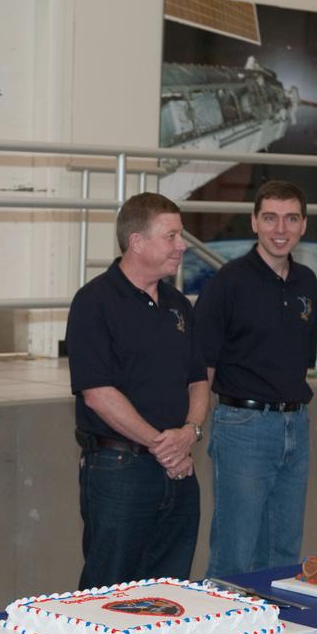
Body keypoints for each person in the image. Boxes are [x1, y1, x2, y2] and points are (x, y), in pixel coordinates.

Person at [65, 192, 209, 589]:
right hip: (120, 470)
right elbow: (97, 393)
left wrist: (190, 432)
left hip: (179, 468)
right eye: (171, 236)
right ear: (137, 242)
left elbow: (198, 380)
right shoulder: (94, 302)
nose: (182, 246)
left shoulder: (179, 305)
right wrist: (162, 446)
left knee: (170, 591)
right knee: (108, 591)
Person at [194, 180, 317, 576]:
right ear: (253, 222)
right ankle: (224, 617)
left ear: (303, 225)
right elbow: (202, 366)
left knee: (284, 552)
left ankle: (275, 618)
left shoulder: (307, 283)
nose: (280, 229)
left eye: (291, 218)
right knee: (235, 553)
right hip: (243, 427)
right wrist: (193, 426)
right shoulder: (228, 282)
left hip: (296, 425)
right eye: (270, 218)